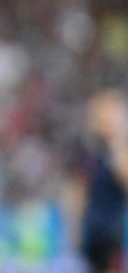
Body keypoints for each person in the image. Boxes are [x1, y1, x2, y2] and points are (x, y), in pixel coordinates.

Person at [65, 89, 128, 273]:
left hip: (114, 231)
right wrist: (74, 230)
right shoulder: (89, 151)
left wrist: (117, 142)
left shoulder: (119, 151)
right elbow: (79, 191)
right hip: (92, 232)